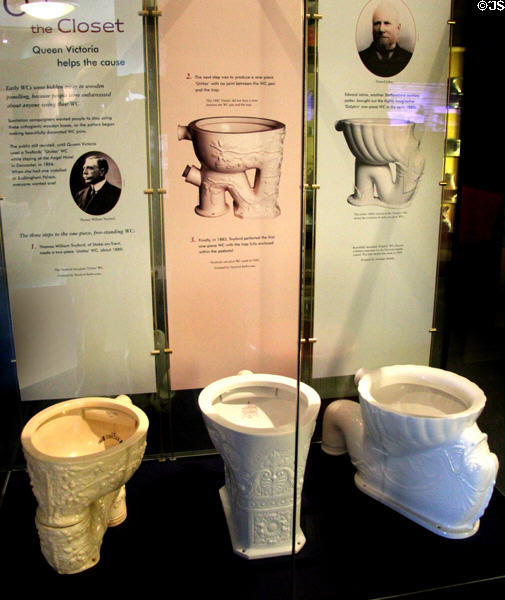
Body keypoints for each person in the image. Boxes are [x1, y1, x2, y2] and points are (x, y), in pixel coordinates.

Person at [358, 1, 412, 78]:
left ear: (398, 28)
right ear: (372, 28)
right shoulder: (361, 58)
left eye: (387, 23)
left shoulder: (408, 58)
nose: (381, 29)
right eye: (377, 23)